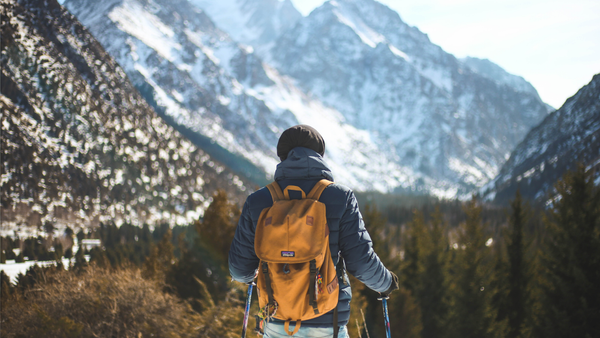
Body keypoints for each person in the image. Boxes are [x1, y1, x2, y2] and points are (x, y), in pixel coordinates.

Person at [229, 125, 399, 337]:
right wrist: (386, 283)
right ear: (320, 155)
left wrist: (253, 276)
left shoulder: (258, 201)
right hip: (327, 322)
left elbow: (238, 269)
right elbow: (361, 261)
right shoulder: (340, 197)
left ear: (282, 156)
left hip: (276, 321)